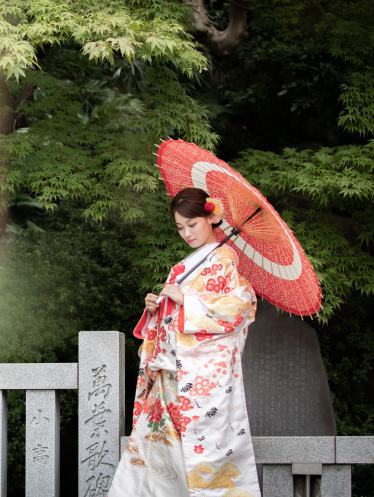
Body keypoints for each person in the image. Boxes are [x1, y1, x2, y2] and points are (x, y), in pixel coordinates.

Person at [107, 187, 262, 497]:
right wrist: (156, 308)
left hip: (199, 382)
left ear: (212, 218)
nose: (187, 233)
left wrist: (187, 301)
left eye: (193, 225)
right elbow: (171, 316)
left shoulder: (223, 260)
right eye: (180, 227)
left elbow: (238, 308)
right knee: (152, 456)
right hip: (169, 378)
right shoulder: (189, 264)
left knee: (198, 459)